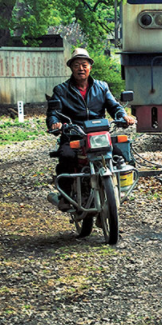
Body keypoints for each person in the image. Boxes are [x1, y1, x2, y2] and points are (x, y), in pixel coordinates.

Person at [46, 48, 136, 209]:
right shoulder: (61, 90)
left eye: (84, 64)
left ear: (90, 67)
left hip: (99, 134)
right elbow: (53, 112)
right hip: (74, 135)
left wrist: (123, 116)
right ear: (71, 68)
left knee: (120, 156)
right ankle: (65, 195)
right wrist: (55, 123)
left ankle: (120, 191)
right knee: (66, 156)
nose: (81, 68)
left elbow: (114, 106)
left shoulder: (101, 87)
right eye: (77, 65)